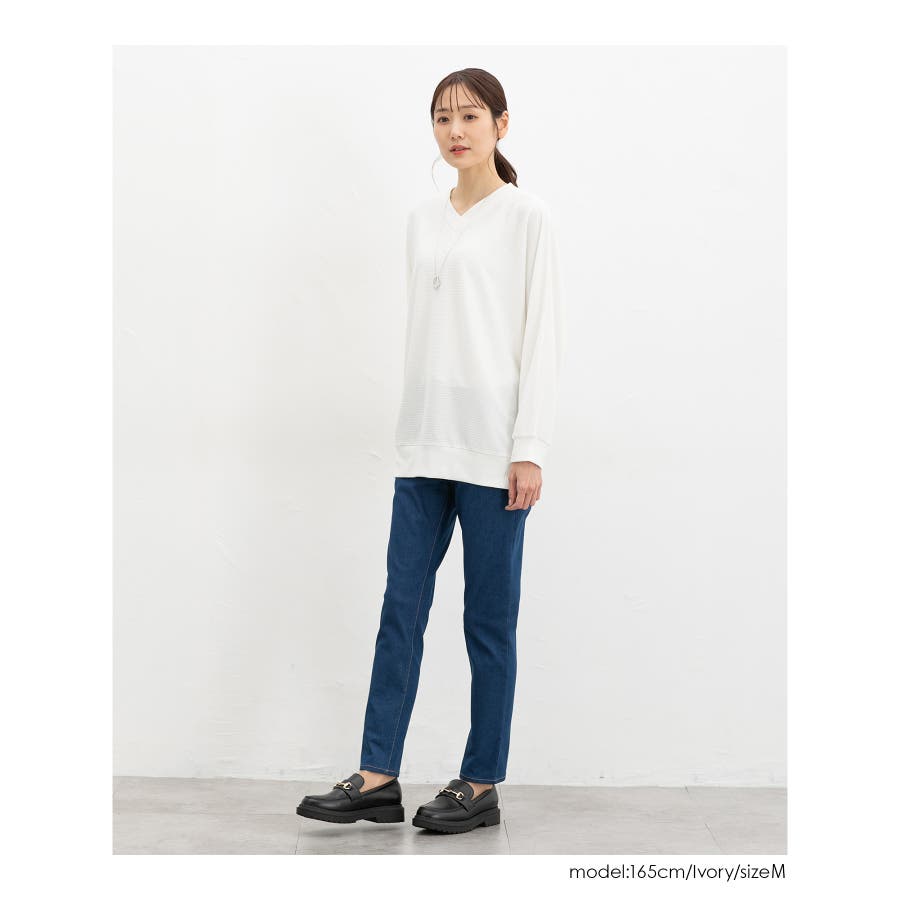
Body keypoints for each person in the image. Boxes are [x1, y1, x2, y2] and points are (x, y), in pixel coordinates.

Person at [297, 68, 565, 834]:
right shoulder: (421, 219)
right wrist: (412, 430)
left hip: (493, 451)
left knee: (489, 621)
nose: (455, 131)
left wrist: (529, 447)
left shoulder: (528, 217)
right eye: (443, 118)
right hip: (423, 445)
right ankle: (377, 775)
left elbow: (542, 336)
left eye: (470, 116)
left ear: (501, 124)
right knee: (401, 610)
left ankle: (480, 783)